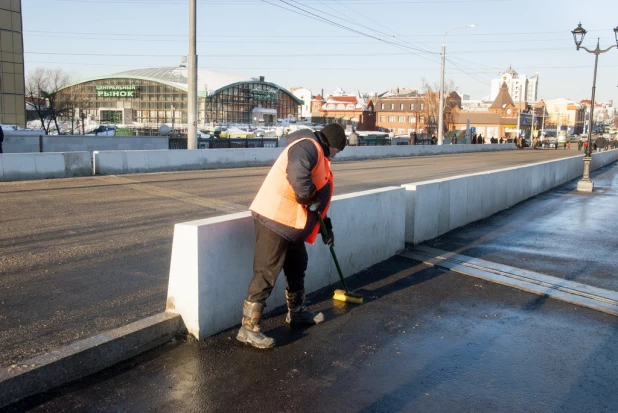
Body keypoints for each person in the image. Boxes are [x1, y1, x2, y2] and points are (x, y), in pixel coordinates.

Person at [237, 123, 347, 349]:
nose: (336, 155)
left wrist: (325, 225)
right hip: (274, 218)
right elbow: (298, 175)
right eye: (338, 150)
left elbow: (318, 199)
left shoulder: (320, 156)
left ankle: (296, 312)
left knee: (298, 264)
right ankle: (248, 328)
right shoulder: (308, 146)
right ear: (332, 144)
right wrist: (309, 198)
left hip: (292, 223)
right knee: (266, 271)